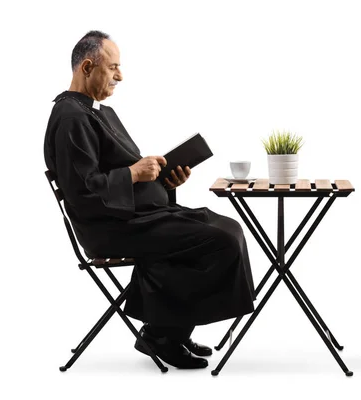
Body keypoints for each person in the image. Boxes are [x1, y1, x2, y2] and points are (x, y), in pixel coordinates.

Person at [43, 31, 255, 369]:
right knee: (220, 240)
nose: (120, 76)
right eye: (112, 68)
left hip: (138, 217)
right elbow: (84, 193)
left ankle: (169, 332)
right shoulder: (70, 118)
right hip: (111, 228)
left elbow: (124, 173)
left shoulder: (99, 112)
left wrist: (165, 180)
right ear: (87, 67)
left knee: (226, 227)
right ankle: (163, 334)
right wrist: (134, 174)